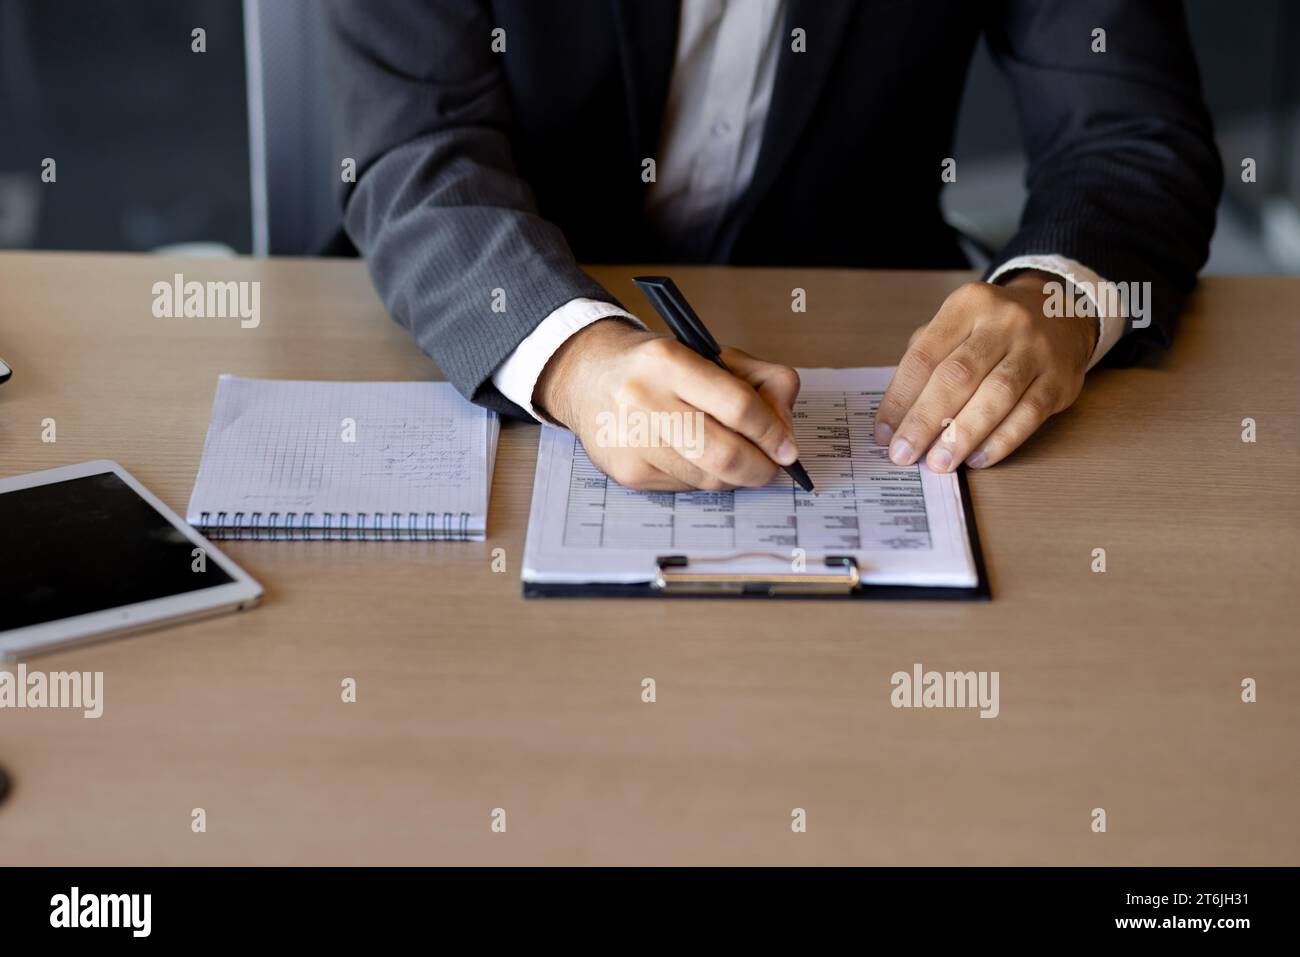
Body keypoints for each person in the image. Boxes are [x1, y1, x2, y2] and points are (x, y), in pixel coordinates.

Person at [327, 0, 1221, 491]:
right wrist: (575, 360)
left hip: (865, 346)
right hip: (489, 344)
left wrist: (1054, 299)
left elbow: (1131, 131)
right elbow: (415, 148)